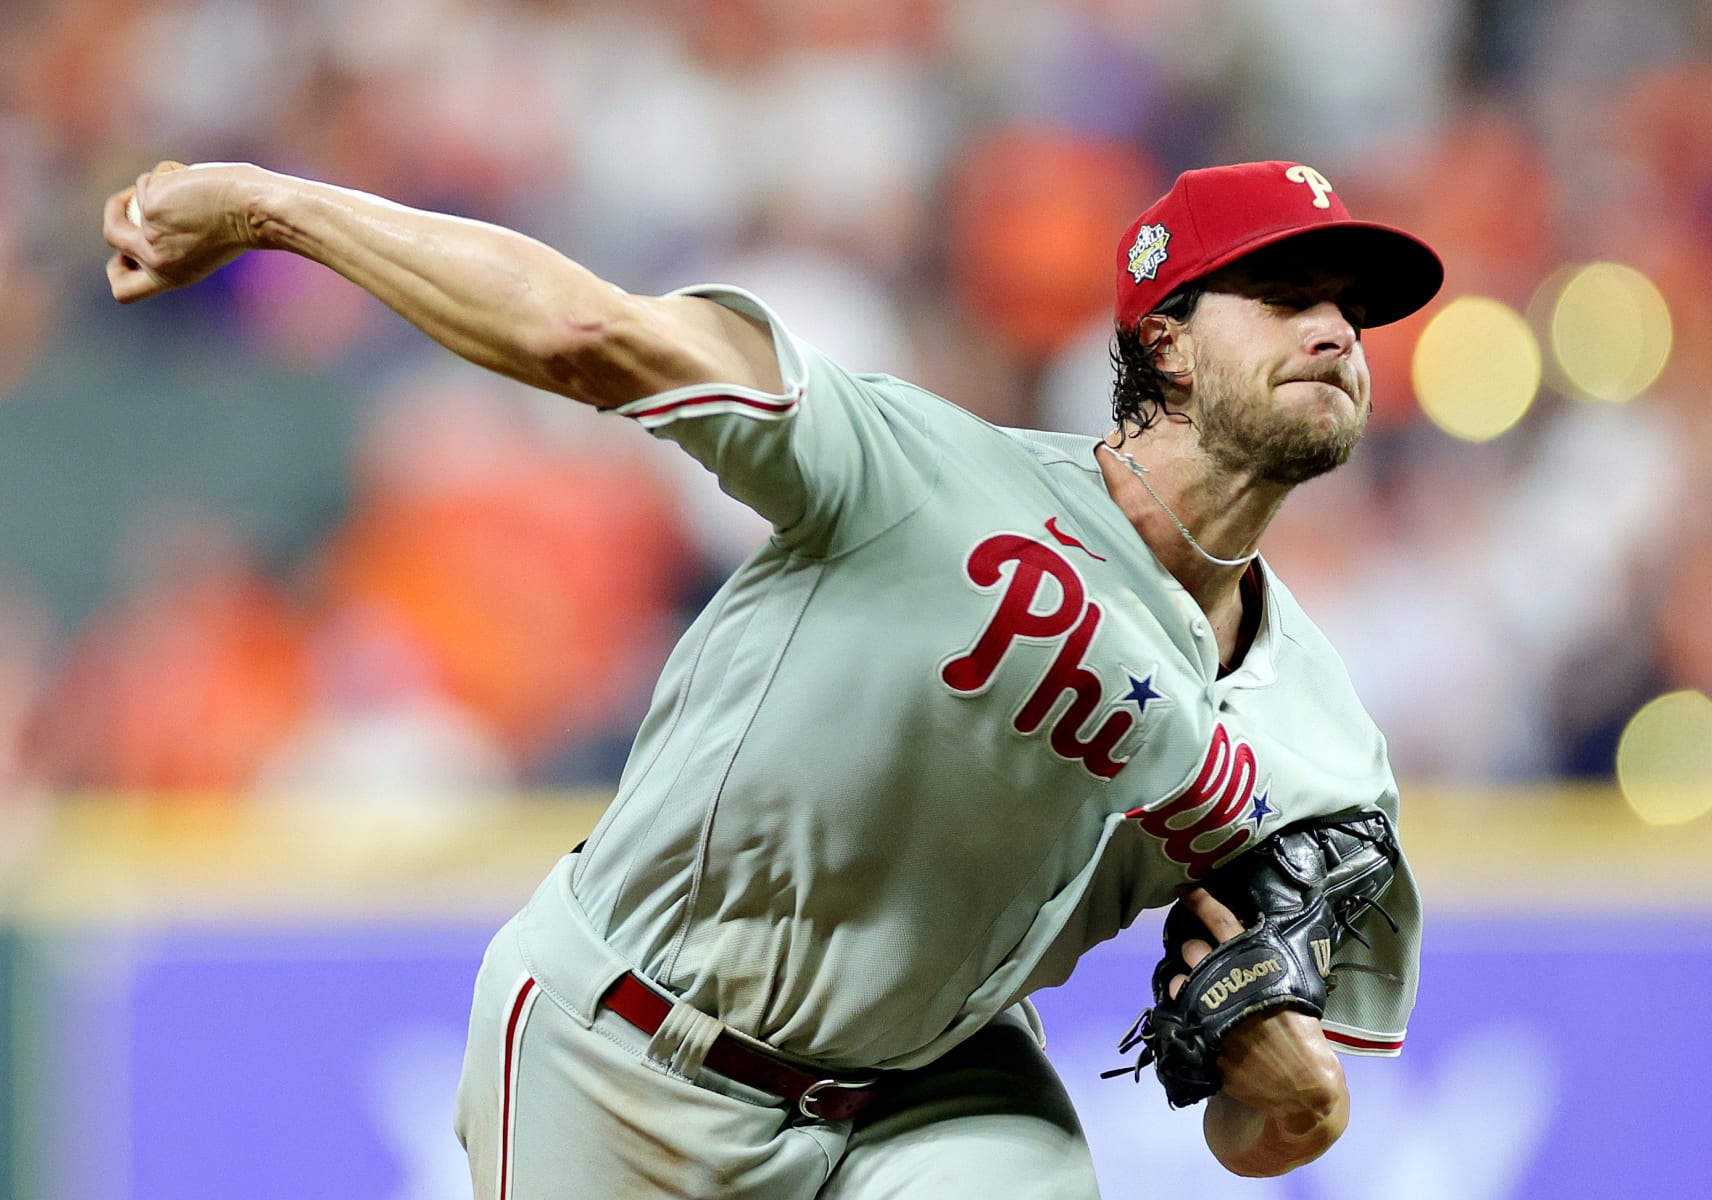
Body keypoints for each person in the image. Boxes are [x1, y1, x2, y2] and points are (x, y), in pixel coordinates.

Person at [103, 156, 1442, 1196]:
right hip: (624, 1042)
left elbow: (1256, 1140)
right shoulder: (924, 476)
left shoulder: (1326, 751)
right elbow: (589, 334)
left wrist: (1296, 1093)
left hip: (938, 1092)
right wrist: (270, 207)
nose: (1334, 329)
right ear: (1162, 338)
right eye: (1284, 293)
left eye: (1352, 308)